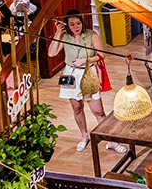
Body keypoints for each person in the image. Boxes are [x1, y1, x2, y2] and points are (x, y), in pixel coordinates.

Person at [48, 10, 124, 154]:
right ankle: (84, 136)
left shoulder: (91, 35)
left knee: (98, 111)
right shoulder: (64, 36)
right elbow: (51, 53)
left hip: (88, 73)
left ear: (82, 22)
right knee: (77, 108)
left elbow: (102, 55)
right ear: (67, 25)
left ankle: (111, 140)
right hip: (71, 75)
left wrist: (85, 60)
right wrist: (58, 33)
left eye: (78, 23)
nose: (76, 26)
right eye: (72, 24)